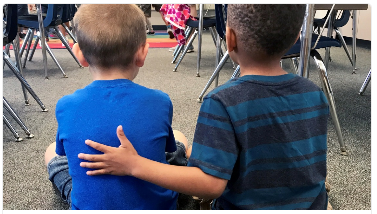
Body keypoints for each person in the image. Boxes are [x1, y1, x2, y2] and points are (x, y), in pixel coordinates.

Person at [78, 4, 330, 210]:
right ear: (297, 37)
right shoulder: (315, 94)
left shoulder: (223, 101)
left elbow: (209, 185)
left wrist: (134, 165)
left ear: (229, 39)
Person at [44, 4, 189, 210]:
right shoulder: (160, 101)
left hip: (89, 207)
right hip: (157, 205)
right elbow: (166, 149)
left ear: (80, 54)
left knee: (52, 153)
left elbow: (65, 154)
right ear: (142, 53)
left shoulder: (65, 105)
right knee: (178, 138)